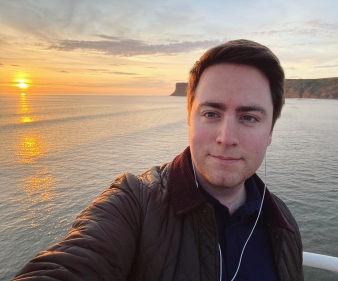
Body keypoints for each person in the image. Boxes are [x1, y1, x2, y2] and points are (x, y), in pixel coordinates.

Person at [14, 39, 303, 281]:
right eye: (211, 114)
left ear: (270, 132)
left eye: (249, 117)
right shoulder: (134, 204)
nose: (226, 137)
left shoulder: (282, 223)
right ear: (189, 118)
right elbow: (69, 265)